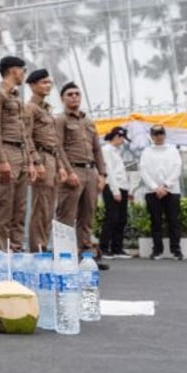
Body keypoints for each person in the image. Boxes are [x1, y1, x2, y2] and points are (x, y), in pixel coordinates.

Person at [0, 55, 37, 252]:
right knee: (4, 206)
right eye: (22, 70)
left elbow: (24, 133)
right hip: (6, 152)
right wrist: (1, 160)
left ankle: (16, 248)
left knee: (20, 208)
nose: (23, 74)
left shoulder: (15, 98)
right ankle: (1, 250)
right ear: (13, 70)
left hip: (21, 155)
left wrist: (30, 161)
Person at [54, 82, 109, 269]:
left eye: (77, 94)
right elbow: (58, 148)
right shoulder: (60, 120)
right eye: (69, 94)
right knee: (66, 216)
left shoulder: (88, 122)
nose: (74, 97)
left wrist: (102, 174)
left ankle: (86, 256)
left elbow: (97, 150)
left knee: (88, 216)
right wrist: (68, 171)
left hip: (90, 172)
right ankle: (64, 257)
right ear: (63, 98)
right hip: (73, 170)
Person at [24, 68, 71, 252]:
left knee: (49, 208)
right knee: (41, 207)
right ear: (33, 85)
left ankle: (44, 244)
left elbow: (54, 141)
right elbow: (26, 137)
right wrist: (36, 162)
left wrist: (60, 166)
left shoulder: (46, 109)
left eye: (48, 82)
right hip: (42, 157)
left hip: (52, 158)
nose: (47, 86)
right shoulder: (30, 108)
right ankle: (37, 249)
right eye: (43, 82)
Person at [139, 124, 183, 260]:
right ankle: (157, 250)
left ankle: (176, 250)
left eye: (161, 133)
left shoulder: (173, 150)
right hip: (152, 191)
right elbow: (143, 170)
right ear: (151, 136)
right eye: (155, 134)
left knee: (173, 221)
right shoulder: (146, 151)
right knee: (155, 221)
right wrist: (155, 187)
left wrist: (166, 185)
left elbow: (177, 168)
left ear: (164, 134)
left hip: (172, 190)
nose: (158, 136)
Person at [100, 126, 132, 259]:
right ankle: (104, 248)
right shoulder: (106, 150)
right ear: (117, 137)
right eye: (122, 138)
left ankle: (117, 248)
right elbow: (109, 172)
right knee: (111, 218)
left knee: (121, 219)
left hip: (122, 187)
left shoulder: (116, 151)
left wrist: (126, 189)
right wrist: (115, 190)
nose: (123, 141)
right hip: (112, 187)